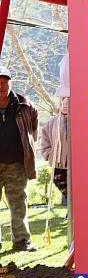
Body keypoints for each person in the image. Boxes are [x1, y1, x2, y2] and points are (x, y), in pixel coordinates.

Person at [0, 66, 38, 252]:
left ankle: (21, 241)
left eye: (4, 80)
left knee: (18, 203)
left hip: (17, 164)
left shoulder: (25, 105)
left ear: (10, 83)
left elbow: (33, 130)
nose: (0, 85)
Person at [40, 97, 70, 206]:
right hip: (59, 167)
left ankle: (75, 214)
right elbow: (45, 140)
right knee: (68, 194)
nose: (66, 104)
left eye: (69, 101)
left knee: (80, 193)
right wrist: (49, 154)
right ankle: (72, 211)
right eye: (64, 101)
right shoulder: (52, 123)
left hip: (77, 167)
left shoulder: (80, 120)